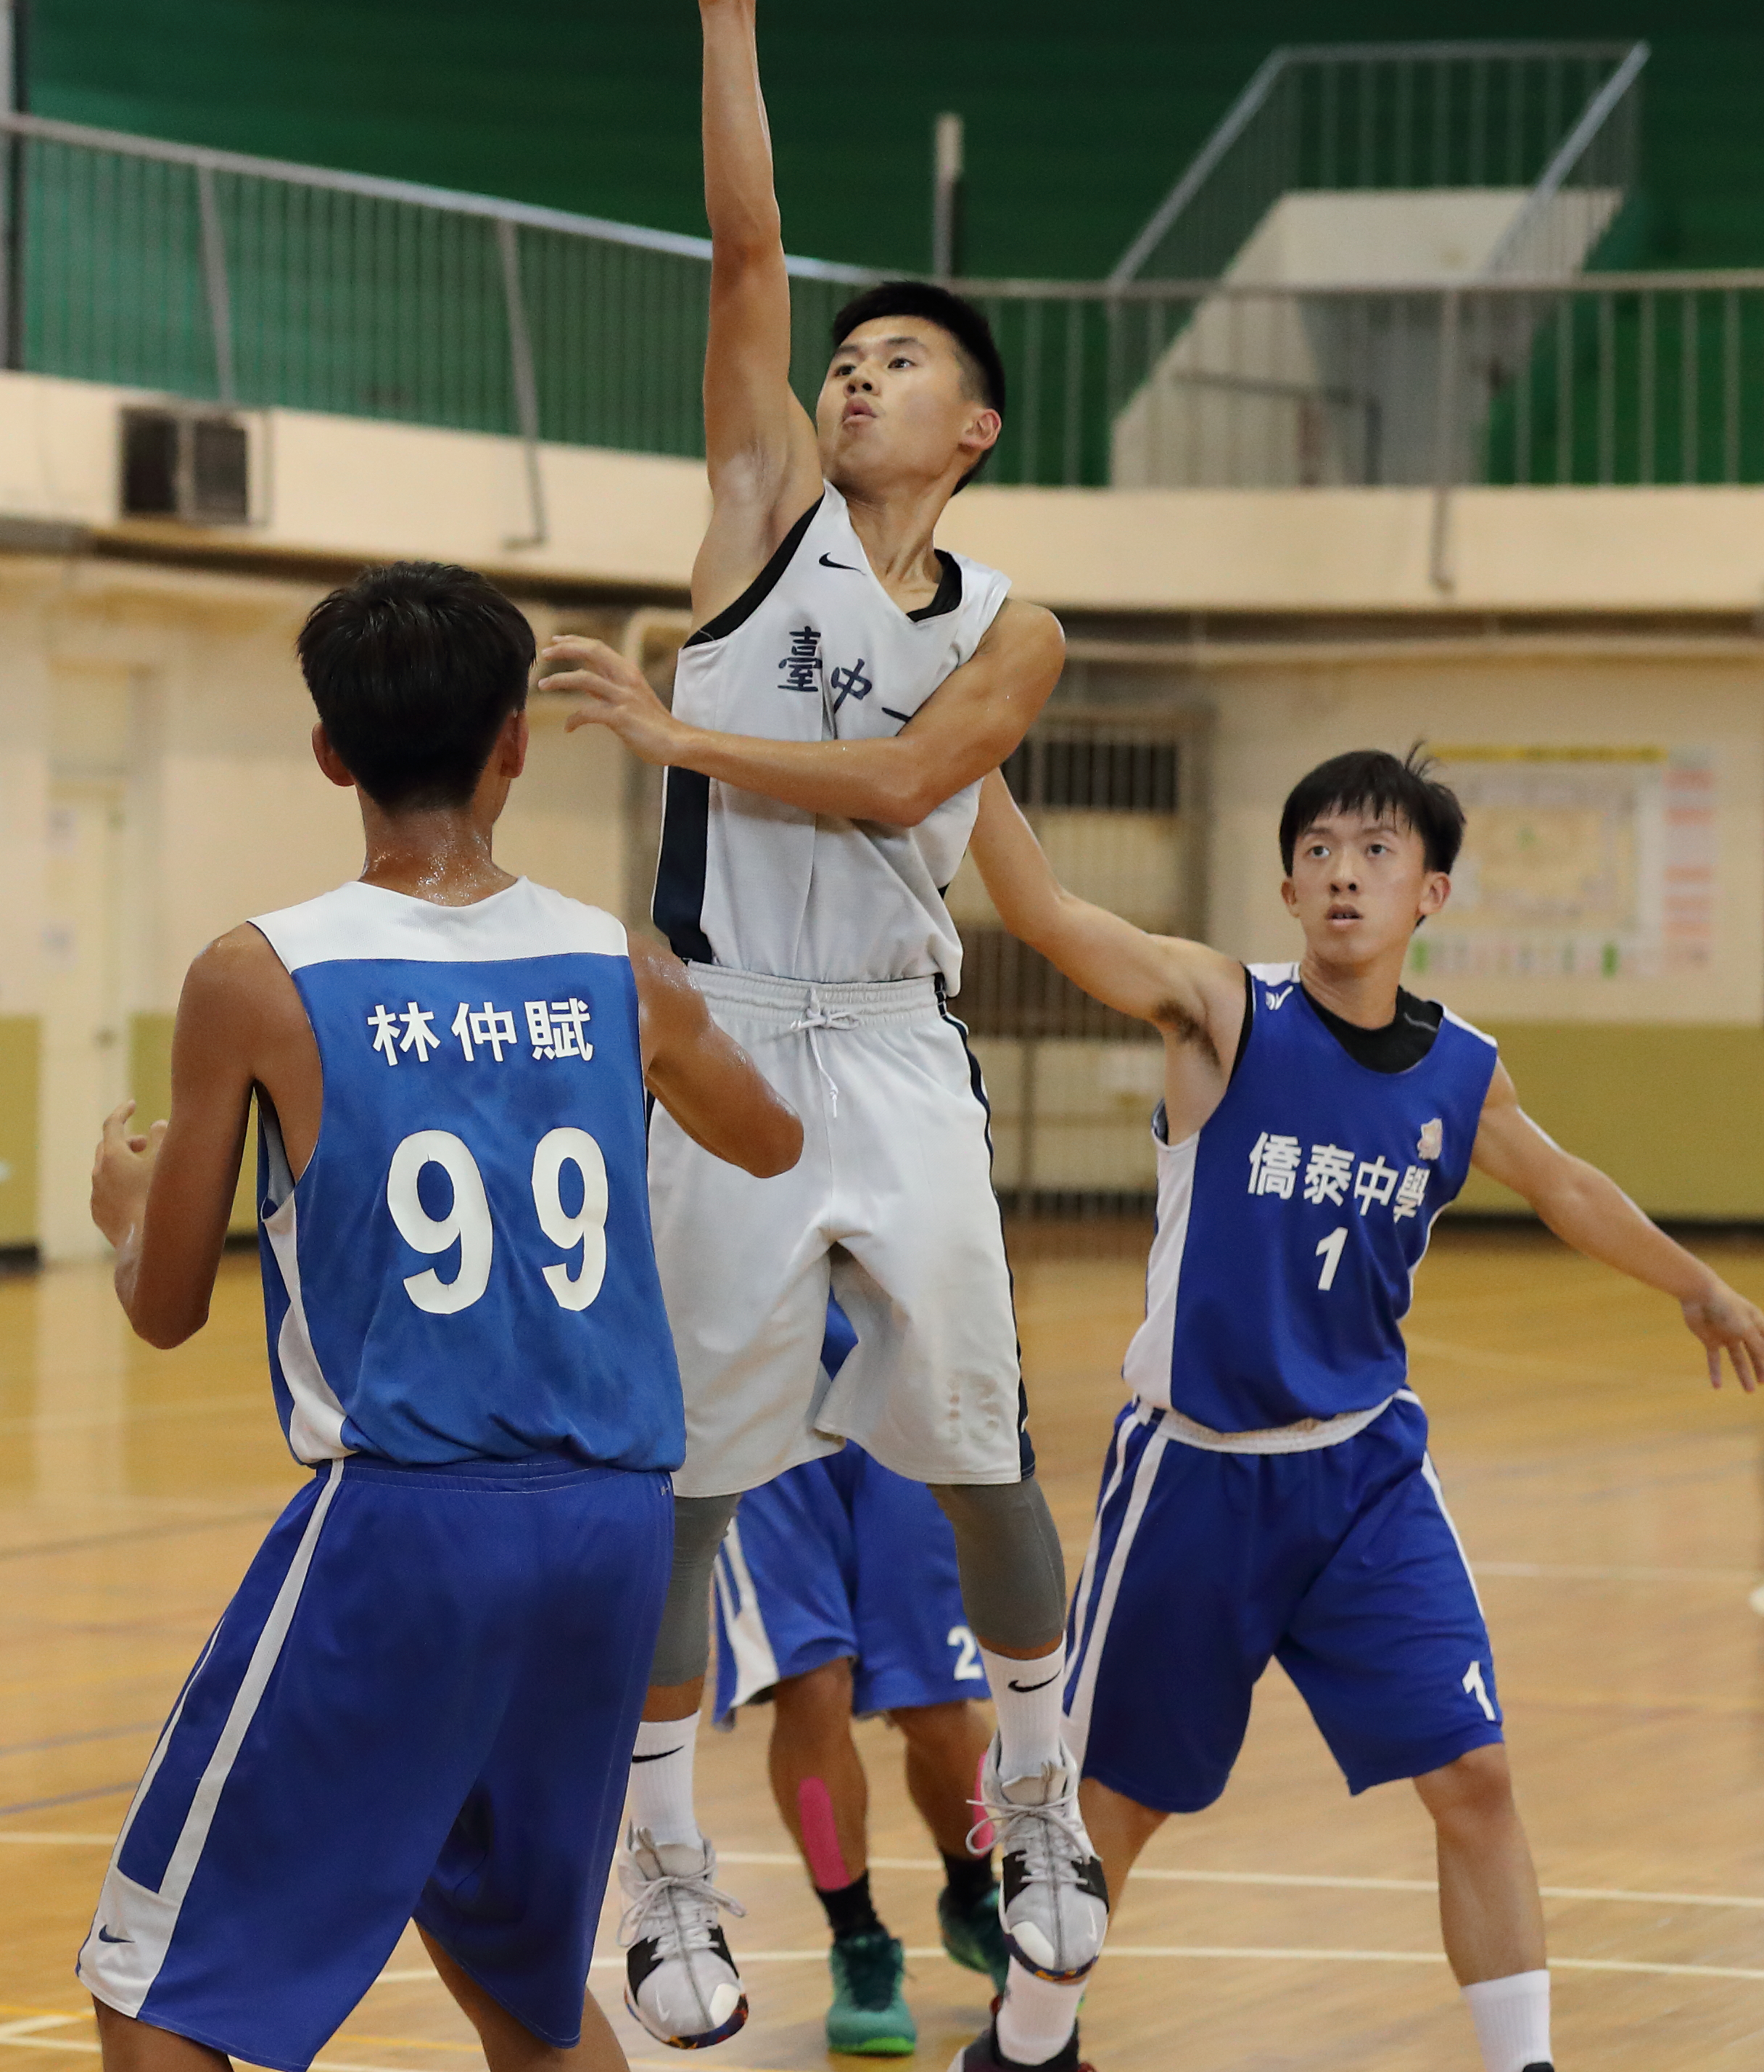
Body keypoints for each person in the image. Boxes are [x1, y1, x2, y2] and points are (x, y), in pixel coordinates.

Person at [538, 0, 1108, 2053]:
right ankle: (669, 1872)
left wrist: (674, 726)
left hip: (891, 1038)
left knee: (978, 1449)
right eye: (845, 355)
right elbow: (747, 245)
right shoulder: (757, 514)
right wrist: (727, 17)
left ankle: (1036, 1813)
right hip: (731, 1048)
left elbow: (897, 799)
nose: (853, 376)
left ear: (969, 430)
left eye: (901, 365)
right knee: (684, 1490)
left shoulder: (1014, 624)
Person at [76, 561, 801, 2072]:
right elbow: (771, 1138)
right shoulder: (616, 963)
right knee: (524, 1995)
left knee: (152, 1995)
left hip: (410, 1531)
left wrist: (122, 1205)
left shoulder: (257, 974)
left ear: (330, 752)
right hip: (608, 1530)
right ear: (513, 746)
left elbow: (162, 1311)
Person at [957, 744, 1764, 2072]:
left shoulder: (1462, 1072)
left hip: (1361, 1478)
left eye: (1377, 851)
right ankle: (1024, 2047)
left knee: (1476, 1774)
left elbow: (1563, 1184)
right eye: (1321, 848)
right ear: (1285, 885)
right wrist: (969, 752)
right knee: (1113, 1806)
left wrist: (1699, 1287)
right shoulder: (1221, 1010)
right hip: (1197, 1477)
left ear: (1429, 892)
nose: (1345, 871)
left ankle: (1527, 2065)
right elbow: (1048, 912)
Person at [712, 1302, 1010, 2056]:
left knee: (936, 1704)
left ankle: (976, 1898)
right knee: (811, 1684)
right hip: (747, 1389)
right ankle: (858, 1941)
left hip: (905, 1376)